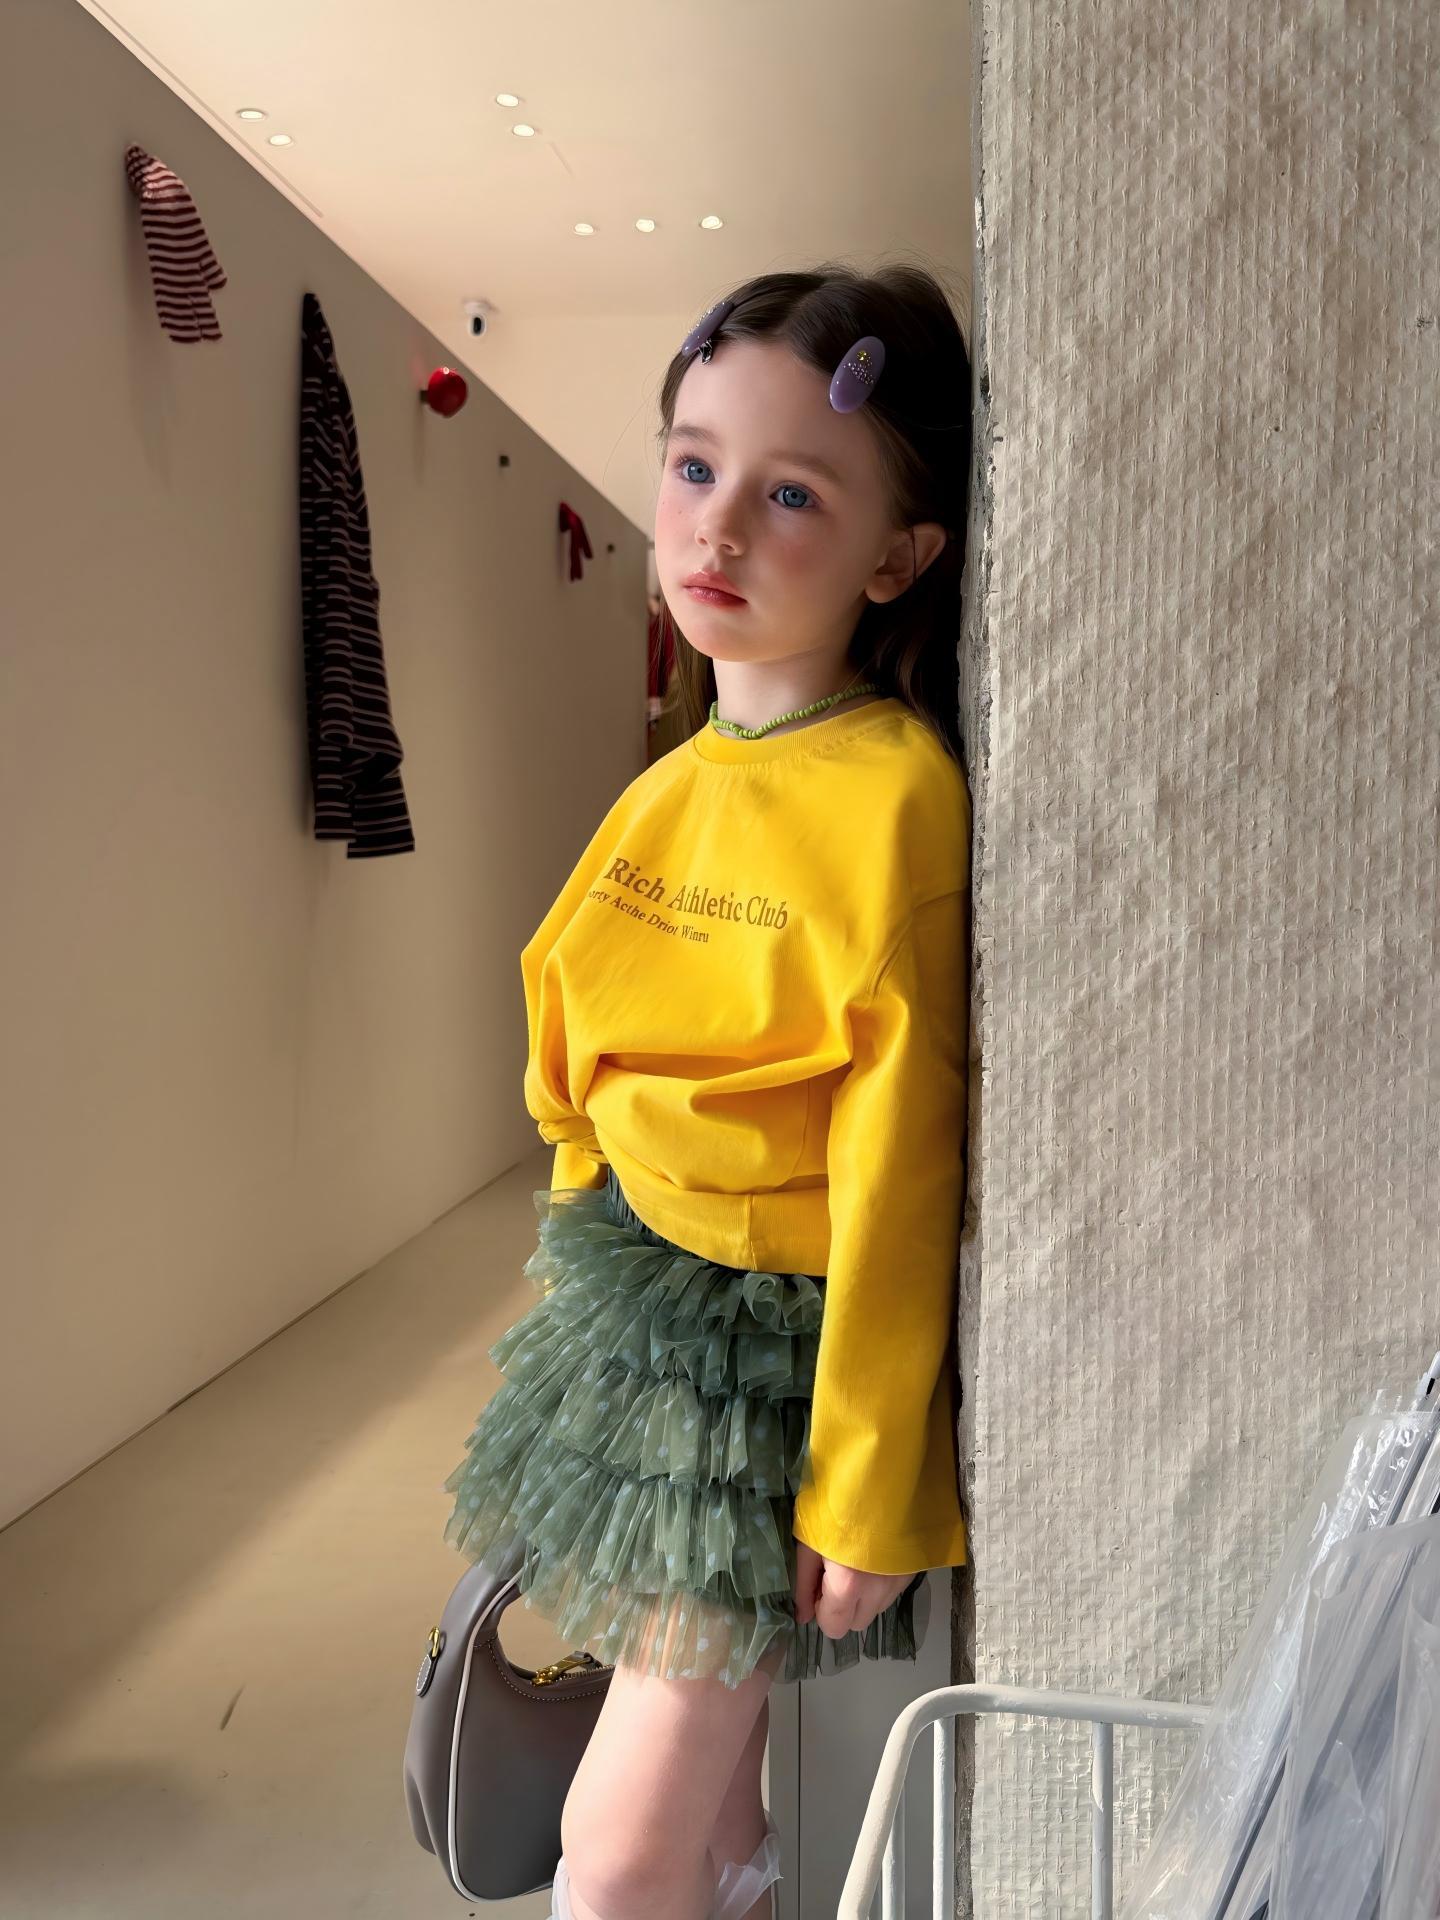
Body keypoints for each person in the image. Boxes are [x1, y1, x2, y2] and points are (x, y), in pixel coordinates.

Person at [441, 262, 975, 1920]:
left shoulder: (896, 801)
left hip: (766, 1382)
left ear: (898, 556)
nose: (716, 529)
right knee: (709, 1819)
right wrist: (581, 1232)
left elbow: (902, 1173)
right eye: (692, 466)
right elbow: (572, 1047)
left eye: (790, 492)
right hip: (636, 1319)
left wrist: (867, 1477)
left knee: (615, 1852)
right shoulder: (672, 781)